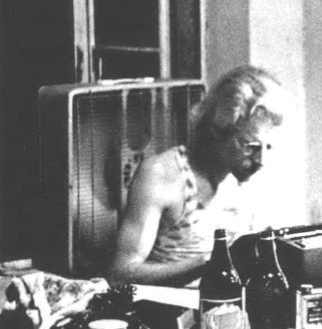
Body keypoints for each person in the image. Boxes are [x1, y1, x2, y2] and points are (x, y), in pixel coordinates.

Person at [109, 65, 288, 286]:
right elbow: (121, 274)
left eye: (268, 147)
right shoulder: (161, 173)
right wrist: (210, 261)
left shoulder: (249, 177)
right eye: (250, 146)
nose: (261, 161)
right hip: (170, 314)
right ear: (218, 129)